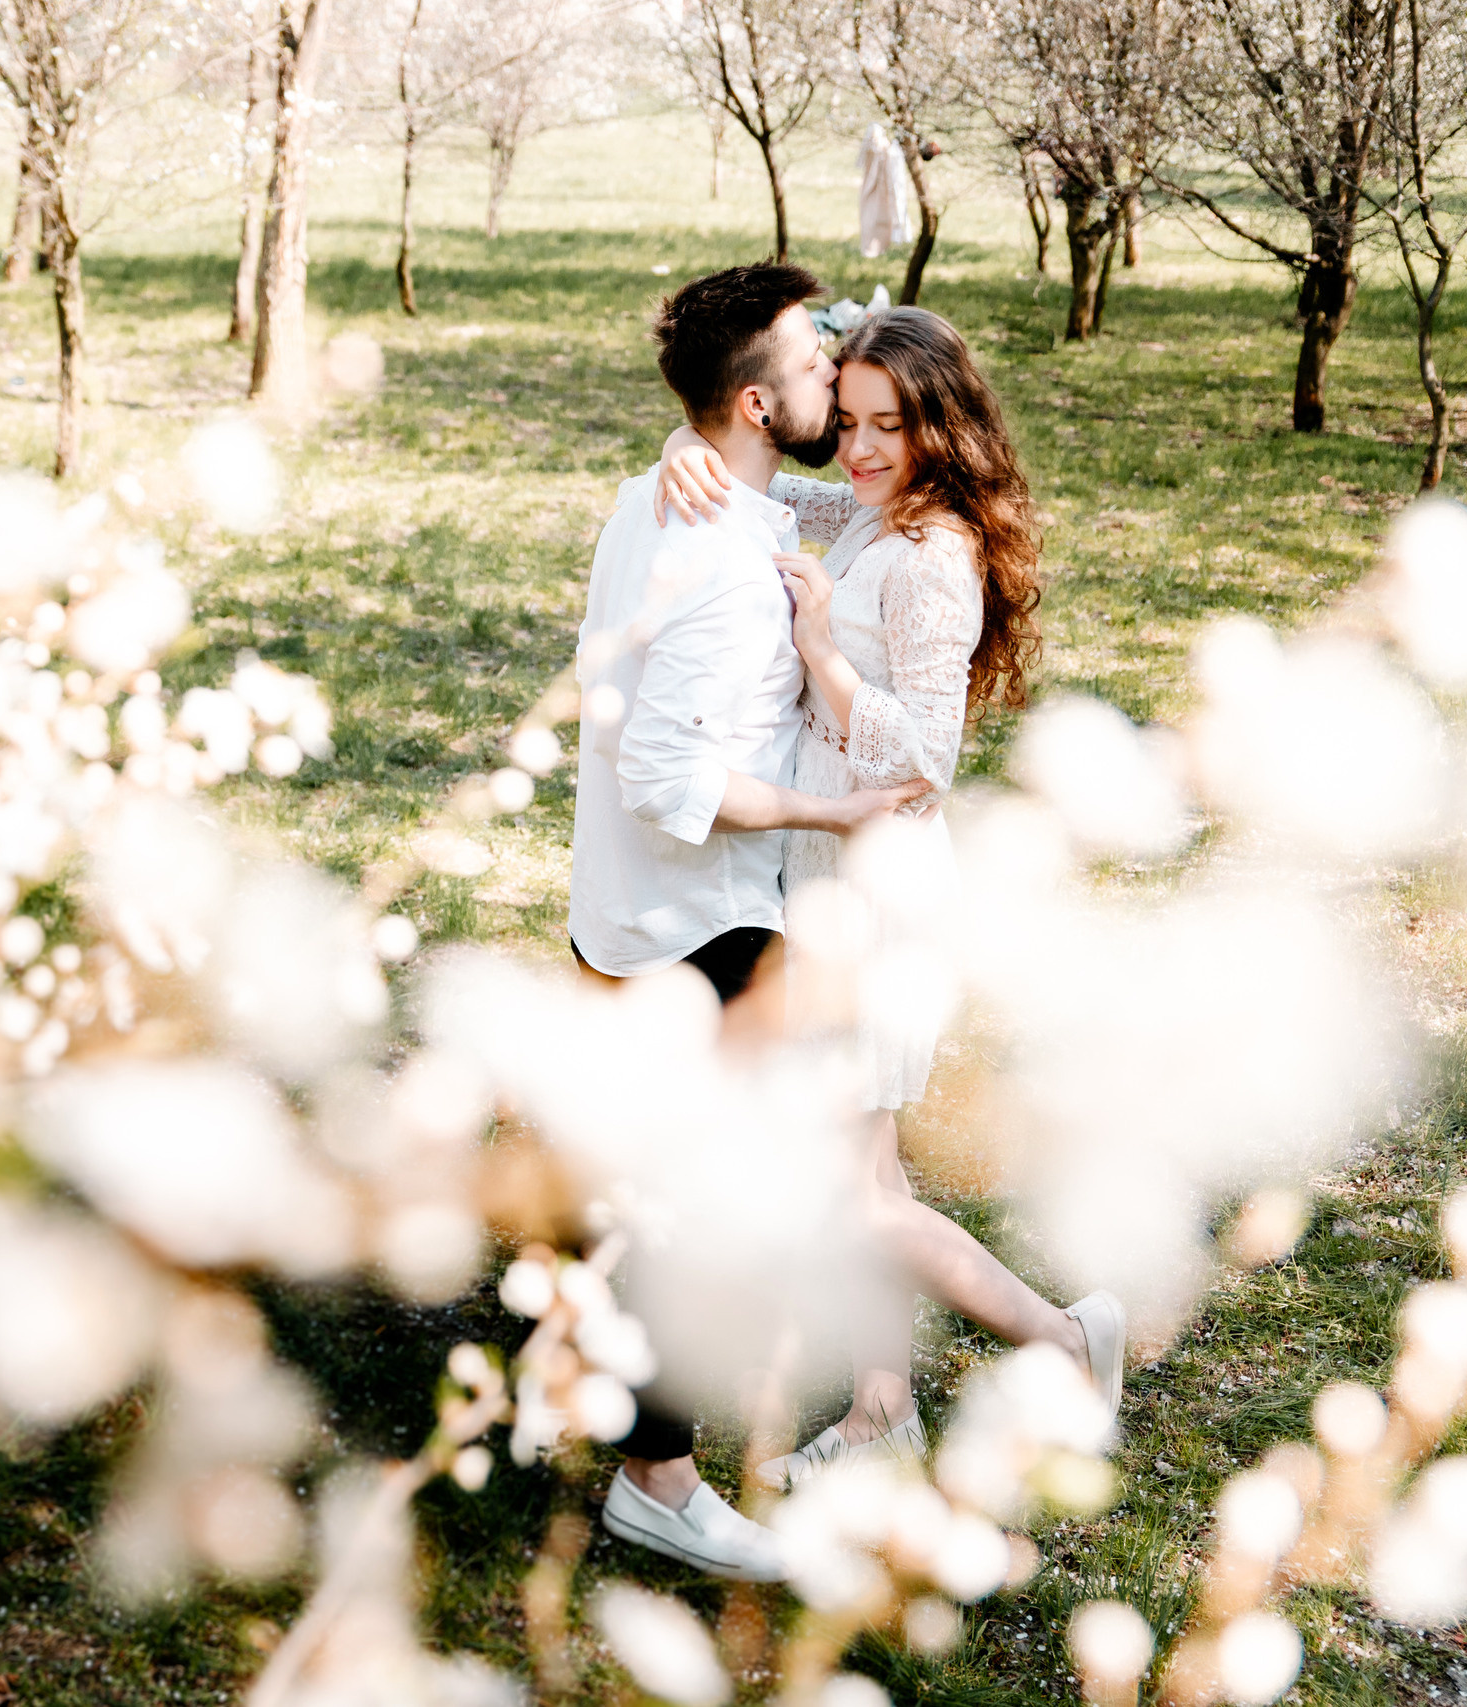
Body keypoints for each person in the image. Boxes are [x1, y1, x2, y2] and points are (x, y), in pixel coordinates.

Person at [653, 305, 1127, 1490]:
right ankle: (882, 1404)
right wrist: (683, 451)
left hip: (874, 892)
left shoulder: (934, 558)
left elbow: (923, 763)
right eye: (850, 422)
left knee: (854, 1189)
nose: (859, 449)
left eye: (890, 427)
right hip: (823, 873)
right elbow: (768, 495)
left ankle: (1067, 1344)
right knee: (868, 1170)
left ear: (941, 429)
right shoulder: (864, 514)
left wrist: (822, 656)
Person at [570, 261, 926, 1580]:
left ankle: (692, 1413)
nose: (833, 363)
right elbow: (670, 782)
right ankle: (658, 1483)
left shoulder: (666, 499)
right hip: (692, 929)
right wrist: (831, 819)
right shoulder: (719, 555)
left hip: (623, 916)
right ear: (754, 401)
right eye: (809, 352)